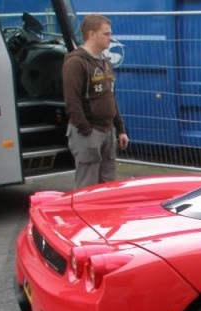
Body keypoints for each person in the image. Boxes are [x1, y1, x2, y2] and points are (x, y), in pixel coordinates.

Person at [62, 14, 129, 189]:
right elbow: (72, 102)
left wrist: (120, 129)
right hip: (89, 132)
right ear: (92, 34)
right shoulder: (76, 62)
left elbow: (110, 96)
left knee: (108, 186)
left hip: (108, 131)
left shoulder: (105, 62)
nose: (110, 38)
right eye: (106, 34)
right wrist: (86, 130)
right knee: (87, 187)